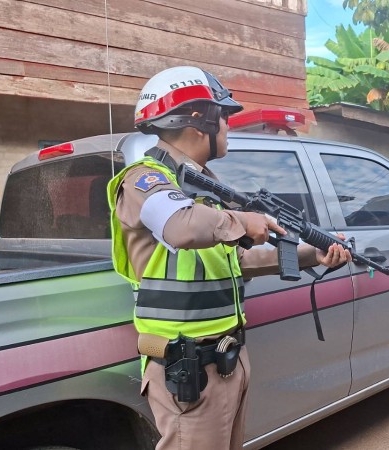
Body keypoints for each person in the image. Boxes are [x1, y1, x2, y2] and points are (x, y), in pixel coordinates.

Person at [107, 66, 352, 449]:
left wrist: (313, 255)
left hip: (226, 359)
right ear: (198, 121)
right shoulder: (145, 179)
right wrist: (244, 220)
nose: (227, 127)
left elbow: (234, 260)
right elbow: (180, 227)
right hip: (187, 365)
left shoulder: (204, 189)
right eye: (222, 117)